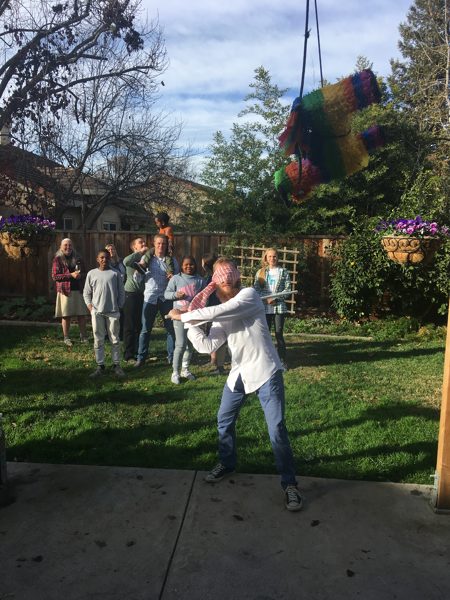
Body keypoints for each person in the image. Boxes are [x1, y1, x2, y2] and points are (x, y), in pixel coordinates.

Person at [168, 259, 303, 512]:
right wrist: (188, 323)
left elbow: (215, 312)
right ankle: (227, 463)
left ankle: (290, 484)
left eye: (226, 281)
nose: (222, 287)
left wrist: (184, 314)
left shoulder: (249, 296)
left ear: (234, 281)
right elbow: (207, 345)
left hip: (266, 371)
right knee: (224, 420)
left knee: (276, 429)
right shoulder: (224, 311)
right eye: (220, 282)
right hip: (239, 373)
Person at [135, 234, 177, 368]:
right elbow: (137, 279)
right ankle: (141, 358)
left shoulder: (172, 261)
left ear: (166, 245)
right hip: (150, 298)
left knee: (170, 329)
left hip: (166, 298)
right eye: (158, 243)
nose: (161, 246)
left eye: (163, 244)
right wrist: (139, 272)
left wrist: (173, 278)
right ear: (154, 244)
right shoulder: (146, 259)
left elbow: (177, 279)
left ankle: (171, 357)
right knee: (145, 330)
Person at [83, 250, 125, 378]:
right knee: (98, 339)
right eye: (101, 257)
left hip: (113, 312)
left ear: (109, 259)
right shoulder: (92, 274)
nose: (104, 260)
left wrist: (119, 306)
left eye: (106, 257)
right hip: (97, 312)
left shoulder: (115, 274)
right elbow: (86, 292)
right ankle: (100, 365)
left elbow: (121, 292)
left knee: (115, 339)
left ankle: (116, 365)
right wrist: (90, 307)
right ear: (97, 259)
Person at [164, 255, 205, 384]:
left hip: (194, 317)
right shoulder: (176, 278)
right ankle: (175, 372)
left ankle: (185, 370)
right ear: (181, 266)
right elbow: (166, 294)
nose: (189, 267)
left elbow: (205, 298)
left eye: (191, 264)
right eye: (186, 264)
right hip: (179, 317)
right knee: (180, 344)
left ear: (195, 265)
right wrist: (176, 295)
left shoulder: (200, 280)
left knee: (190, 345)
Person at [253, 247, 291, 369]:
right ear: (266, 258)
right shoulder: (260, 272)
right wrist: (266, 299)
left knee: (279, 334)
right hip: (264, 308)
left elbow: (288, 290)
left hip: (279, 307)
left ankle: (282, 361)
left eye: (274, 256)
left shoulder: (283, 272)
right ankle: (266, 361)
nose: (272, 258)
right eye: (269, 256)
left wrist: (276, 298)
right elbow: (256, 290)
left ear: (277, 257)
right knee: (265, 335)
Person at [52, 238, 89, 347]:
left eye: (70, 245)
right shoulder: (57, 259)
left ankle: (83, 336)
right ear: (61, 247)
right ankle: (66, 337)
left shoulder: (78, 258)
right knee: (66, 316)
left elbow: (85, 273)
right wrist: (70, 275)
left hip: (78, 290)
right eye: (65, 245)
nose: (68, 247)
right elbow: (55, 276)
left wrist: (80, 276)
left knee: (81, 315)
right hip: (65, 291)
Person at [122, 237, 147, 362]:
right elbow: (125, 262)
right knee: (129, 325)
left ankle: (139, 352)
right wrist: (140, 253)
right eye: (140, 242)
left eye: (144, 242)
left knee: (139, 325)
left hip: (142, 295)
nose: (143, 243)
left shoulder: (146, 259)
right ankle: (129, 354)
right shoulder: (132, 258)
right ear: (134, 247)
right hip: (130, 294)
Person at [202, 252, 226, 375]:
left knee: (217, 337)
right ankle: (214, 361)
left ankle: (219, 365)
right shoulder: (213, 276)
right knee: (214, 336)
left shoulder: (214, 278)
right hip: (215, 310)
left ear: (206, 265)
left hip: (215, 310)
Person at [105, 242, 126, 340]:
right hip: (110, 289)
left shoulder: (121, 261)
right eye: (108, 250)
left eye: (112, 249)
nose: (111, 251)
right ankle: (108, 333)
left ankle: (120, 333)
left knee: (121, 311)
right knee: (109, 312)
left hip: (122, 289)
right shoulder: (105, 263)